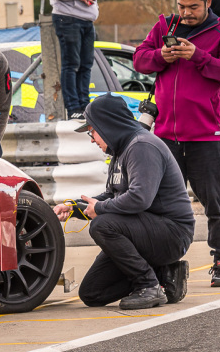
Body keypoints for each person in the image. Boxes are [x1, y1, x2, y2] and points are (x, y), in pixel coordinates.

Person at [133, 0, 220, 287]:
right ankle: (161, 264)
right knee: (159, 205)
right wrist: (161, 56)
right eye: (181, 6)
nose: (186, 13)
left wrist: (199, 57)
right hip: (166, 135)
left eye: (193, 6)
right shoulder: (165, 26)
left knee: (216, 203)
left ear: (208, 2)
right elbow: (140, 60)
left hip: (206, 135)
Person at [52, 94, 194, 310]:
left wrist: (98, 208)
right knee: (92, 294)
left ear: (108, 125)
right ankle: (163, 274)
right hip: (145, 229)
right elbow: (112, 195)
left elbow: (139, 198)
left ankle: (149, 286)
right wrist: (74, 208)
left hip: (172, 233)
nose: (92, 139)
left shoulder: (142, 146)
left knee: (102, 224)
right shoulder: (121, 150)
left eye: (92, 131)